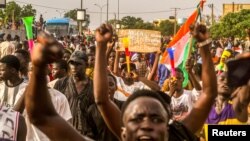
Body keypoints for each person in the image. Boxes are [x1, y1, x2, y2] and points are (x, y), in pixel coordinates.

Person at [23, 24, 217, 141]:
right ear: (123, 134)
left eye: (157, 119)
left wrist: (204, 45)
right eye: (136, 119)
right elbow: (42, 117)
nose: (147, 124)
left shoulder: (180, 135)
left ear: (169, 127)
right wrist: (39, 67)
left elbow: (208, 94)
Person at [54, 50, 94, 136]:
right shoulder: (61, 84)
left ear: (86, 65)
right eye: (72, 63)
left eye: (78, 64)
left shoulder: (93, 86)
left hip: (88, 134)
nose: (74, 67)